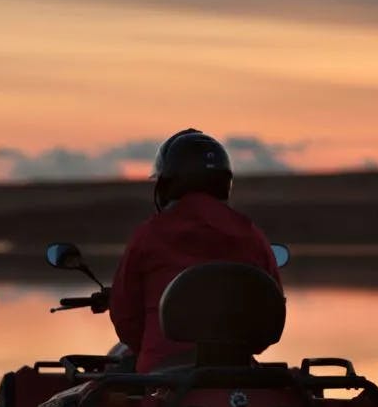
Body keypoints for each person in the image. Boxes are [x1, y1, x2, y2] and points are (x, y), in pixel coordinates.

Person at [109, 128, 282, 373]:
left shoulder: (149, 235)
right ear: (225, 184)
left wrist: (154, 346)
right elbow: (269, 317)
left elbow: (127, 319)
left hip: (162, 377)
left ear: (165, 186)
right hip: (236, 373)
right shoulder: (252, 235)